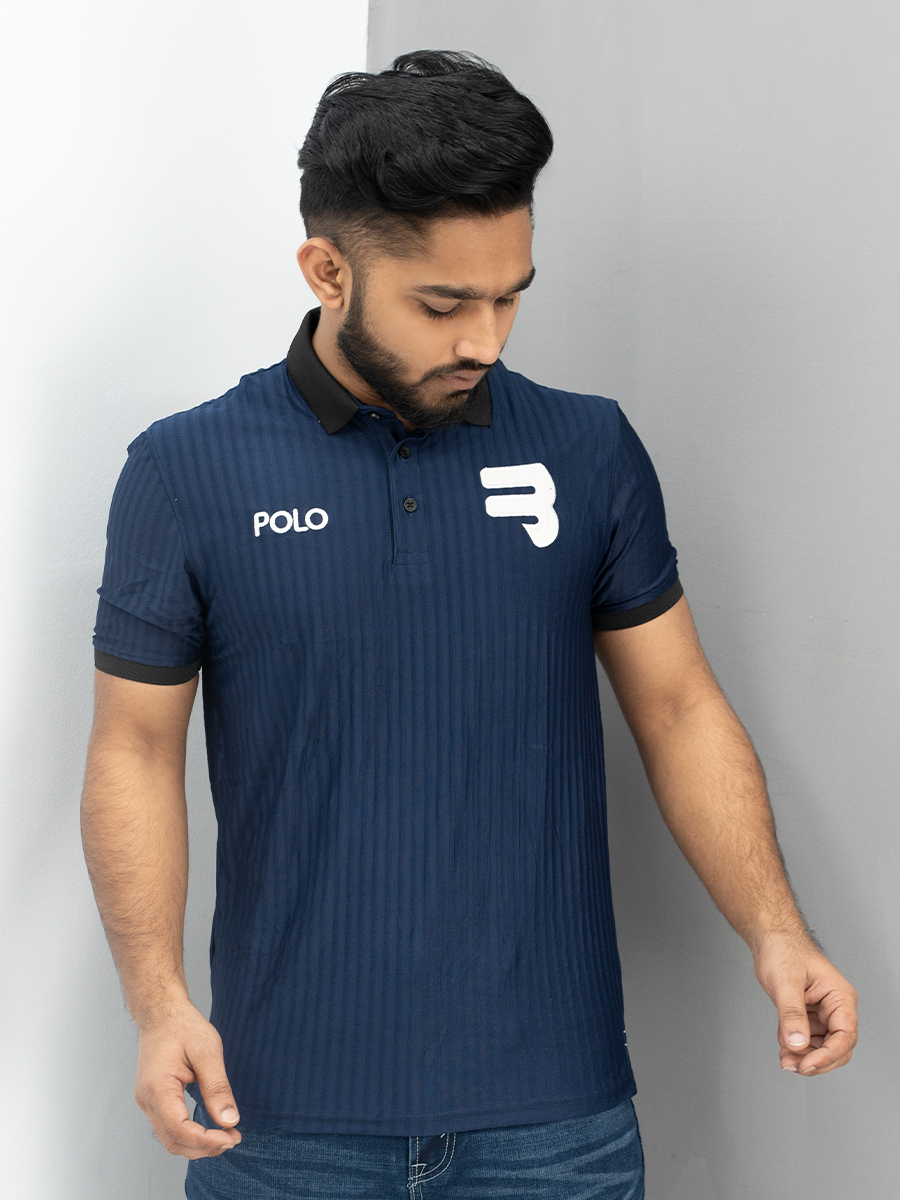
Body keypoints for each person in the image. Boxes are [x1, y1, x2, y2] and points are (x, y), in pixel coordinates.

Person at [81, 50, 858, 1200]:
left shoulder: (588, 449)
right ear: (327, 270)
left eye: (509, 296)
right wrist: (158, 1008)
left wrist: (777, 930)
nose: (486, 340)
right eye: (444, 305)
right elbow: (134, 750)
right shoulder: (185, 470)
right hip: (280, 1115)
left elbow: (679, 707)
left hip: (557, 1120)